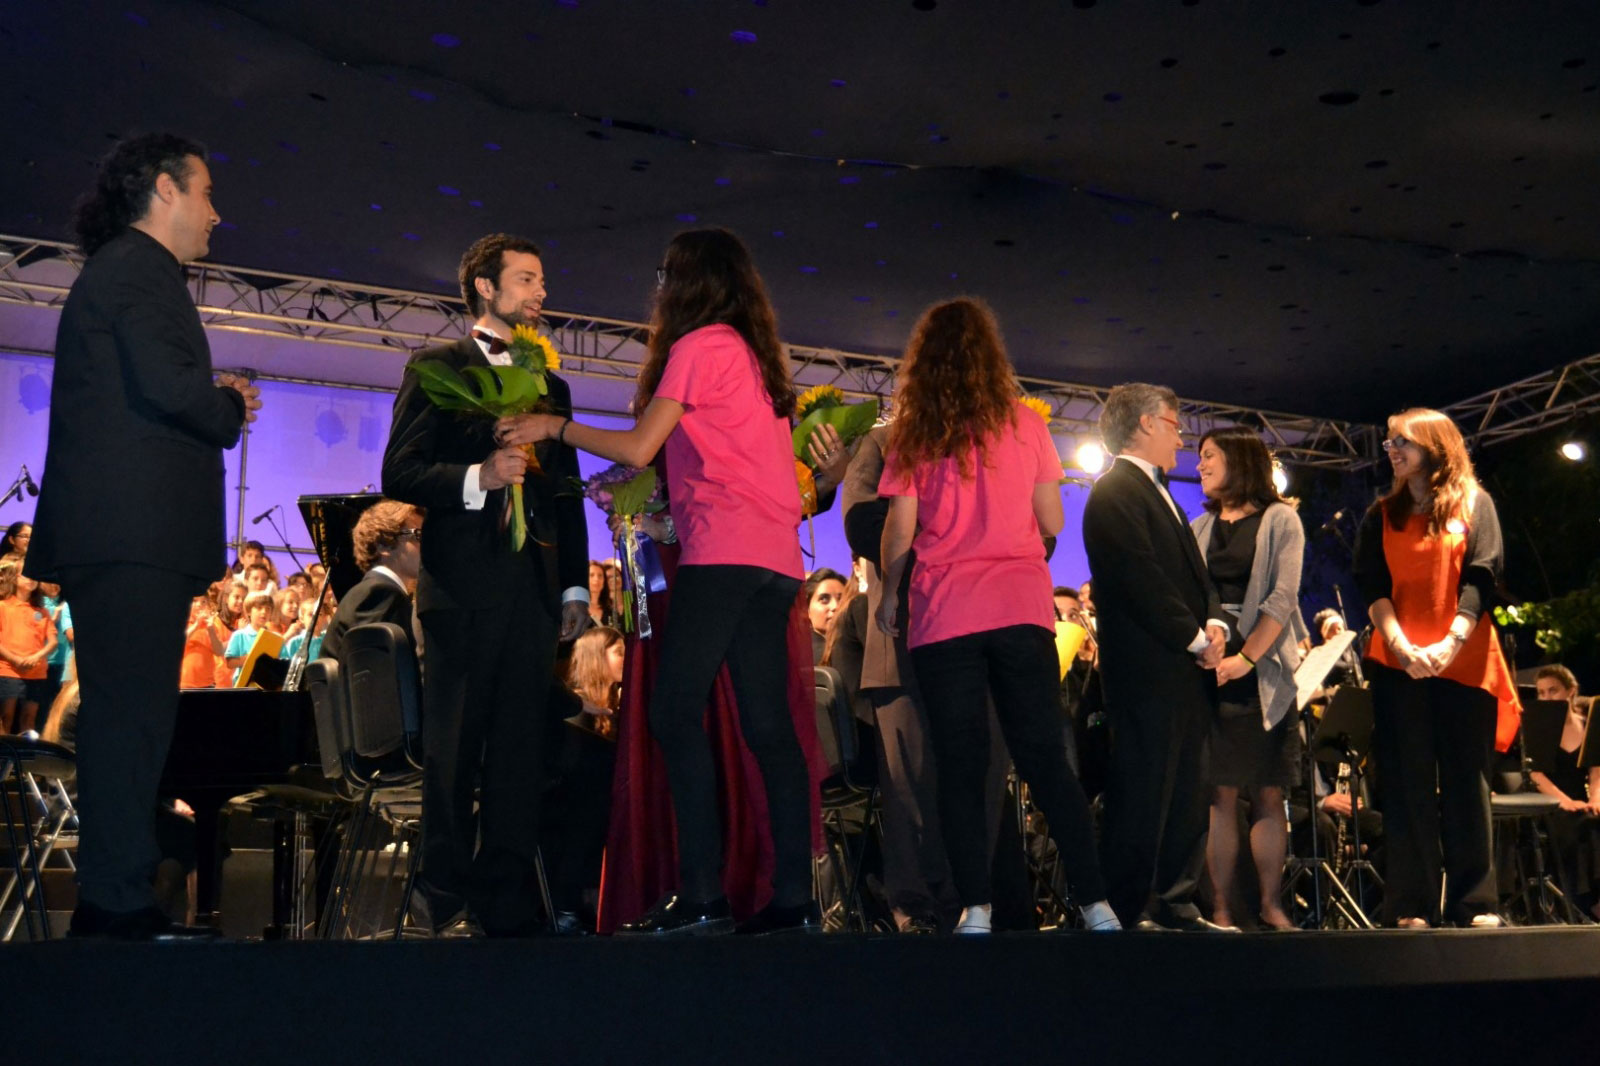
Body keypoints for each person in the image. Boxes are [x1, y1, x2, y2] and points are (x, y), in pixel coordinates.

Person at [503, 226, 819, 935]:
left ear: (686, 283)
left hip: (725, 557)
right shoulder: (760, 359)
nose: (658, 290)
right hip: (774, 562)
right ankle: (795, 901)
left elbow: (641, 446)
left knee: (674, 713)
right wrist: (660, 513)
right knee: (769, 729)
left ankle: (702, 894)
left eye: (664, 277)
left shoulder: (698, 346)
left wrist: (553, 427)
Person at [24, 132, 260, 940]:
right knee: (130, 721)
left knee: (132, 718)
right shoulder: (138, 270)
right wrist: (227, 405)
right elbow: (169, 386)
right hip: (131, 536)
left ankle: (117, 895)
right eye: (206, 193)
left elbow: (150, 384)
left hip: (123, 537)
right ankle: (114, 901)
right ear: (164, 189)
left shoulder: (123, 272)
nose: (215, 214)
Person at [875, 298, 1118, 934]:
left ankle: (976, 910)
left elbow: (899, 531)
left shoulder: (916, 432)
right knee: (1044, 758)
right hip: (1020, 608)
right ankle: (1096, 904)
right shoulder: (1027, 425)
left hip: (945, 613)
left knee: (961, 766)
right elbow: (1052, 520)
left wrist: (889, 593)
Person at [382, 232, 589, 938]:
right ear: (484, 287)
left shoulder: (553, 385)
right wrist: (480, 476)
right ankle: (441, 896)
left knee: (519, 751)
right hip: (462, 590)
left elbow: (566, 495)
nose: (540, 292)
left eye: (541, 281)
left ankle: (505, 903)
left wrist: (573, 588)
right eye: (527, 279)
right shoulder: (437, 366)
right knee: (454, 748)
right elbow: (400, 471)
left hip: (533, 593)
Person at [1353, 407, 1519, 929]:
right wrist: (1401, 645)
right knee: (1407, 784)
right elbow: (1372, 586)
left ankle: (1475, 903)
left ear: (1435, 445)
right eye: (1388, 442)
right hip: (1398, 662)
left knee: (1468, 781)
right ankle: (1412, 904)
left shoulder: (1475, 503)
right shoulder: (1382, 513)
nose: (1392, 450)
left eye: (1401, 441)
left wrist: (1452, 640)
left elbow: (1482, 576)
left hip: (1464, 659)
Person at [1082, 382, 1234, 932]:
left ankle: (1176, 900)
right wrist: (1195, 638)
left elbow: (1197, 577)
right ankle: (1132, 906)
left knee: (1188, 790)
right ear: (1146, 423)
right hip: (1147, 672)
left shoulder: (1159, 492)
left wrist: (1215, 622)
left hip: (1183, 669)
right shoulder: (1113, 491)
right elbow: (1138, 578)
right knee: (1145, 789)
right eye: (1174, 424)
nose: (1181, 438)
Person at [1190, 426, 1309, 931]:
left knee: (1267, 790)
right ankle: (1220, 908)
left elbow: (1282, 596)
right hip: (1210, 669)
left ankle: (1271, 904)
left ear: (1239, 460)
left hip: (1263, 671)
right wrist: (1209, 648)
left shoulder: (1281, 519)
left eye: (1209, 455)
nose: (1200, 465)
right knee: (1219, 793)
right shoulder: (1198, 526)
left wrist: (1246, 658)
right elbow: (1193, 593)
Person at [1525, 665, 1599, 919]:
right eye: (1541, 693)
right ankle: (1580, 903)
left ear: (1571, 691)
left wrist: (1596, 798)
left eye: (1553, 691)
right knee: (1575, 824)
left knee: (1594, 819)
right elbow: (1536, 775)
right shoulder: (1538, 727)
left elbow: (1596, 771)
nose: (1546, 698)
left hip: (1581, 798)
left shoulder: (1587, 725)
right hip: (1550, 801)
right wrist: (1565, 801)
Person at [318, 499, 423, 666]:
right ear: (383, 545)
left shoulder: (372, 590)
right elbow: (378, 672)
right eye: (418, 535)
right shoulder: (380, 593)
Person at [0, 556, 59, 734]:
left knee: (29, 718)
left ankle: (27, 751)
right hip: (8, 670)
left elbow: (53, 642)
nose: (31, 580)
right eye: (26, 575)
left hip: (36, 672)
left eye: (34, 576)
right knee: (6, 717)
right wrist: (15, 659)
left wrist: (36, 657)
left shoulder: (42, 611)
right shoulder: (3, 606)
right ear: (14, 578)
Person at [179, 594, 226, 689]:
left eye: (203, 602)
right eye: (194, 601)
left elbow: (219, 651)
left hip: (207, 684)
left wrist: (211, 630)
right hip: (184, 683)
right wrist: (196, 625)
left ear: (208, 605)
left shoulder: (211, 627)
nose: (199, 605)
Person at [803, 567, 849, 663]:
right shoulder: (803, 655)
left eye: (841, 599)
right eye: (824, 599)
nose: (835, 606)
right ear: (807, 609)